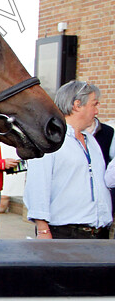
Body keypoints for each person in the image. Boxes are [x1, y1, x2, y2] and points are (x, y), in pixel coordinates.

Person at [24, 80, 112, 239]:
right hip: (66, 234)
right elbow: (38, 185)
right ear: (77, 105)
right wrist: (43, 230)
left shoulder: (91, 141)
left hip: (98, 235)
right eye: (95, 104)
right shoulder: (50, 139)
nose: (97, 111)